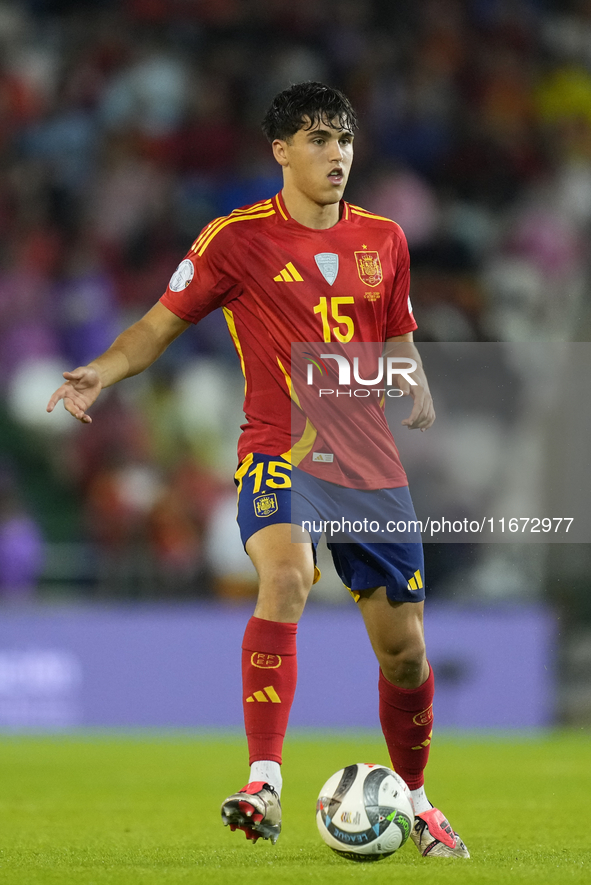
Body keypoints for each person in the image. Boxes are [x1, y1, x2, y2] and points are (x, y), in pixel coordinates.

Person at [47, 81, 469, 859]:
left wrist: (415, 384)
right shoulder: (234, 239)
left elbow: (396, 334)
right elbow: (154, 328)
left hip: (368, 466)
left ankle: (416, 800)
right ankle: (263, 783)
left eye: (343, 138)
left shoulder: (385, 239)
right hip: (280, 449)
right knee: (283, 577)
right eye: (317, 139)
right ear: (280, 151)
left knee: (404, 650)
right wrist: (101, 373)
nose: (335, 153)